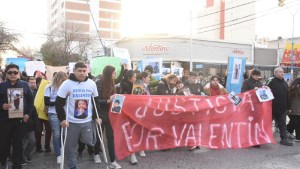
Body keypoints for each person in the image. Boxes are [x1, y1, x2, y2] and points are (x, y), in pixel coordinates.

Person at [55, 62, 99, 169]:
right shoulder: (67, 84)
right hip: (71, 122)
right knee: (71, 147)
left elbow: (95, 102)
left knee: (90, 141)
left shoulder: (91, 84)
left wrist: (96, 117)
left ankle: (83, 143)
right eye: (79, 71)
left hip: (87, 121)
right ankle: (72, 166)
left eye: (84, 71)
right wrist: (62, 119)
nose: (82, 73)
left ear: (87, 71)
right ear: (74, 71)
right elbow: (58, 103)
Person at [0, 64, 34, 169]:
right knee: (4, 144)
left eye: (15, 72)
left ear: (18, 73)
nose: (13, 74)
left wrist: (28, 114)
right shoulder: (1, 86)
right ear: (6, 74)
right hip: (4, 120)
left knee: (18, 144)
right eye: (10, 72)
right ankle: (3, 162)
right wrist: (2, 105)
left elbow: (30, 102)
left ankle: (17, 165)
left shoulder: (24, 85)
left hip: (20, 120)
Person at [95, 65, 121, 169]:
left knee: (111, 137)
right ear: (109, 73)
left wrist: (116, 100)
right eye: (114, 73)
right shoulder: (99, 82)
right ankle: (96, 154)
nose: (115, 74)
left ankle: (113, 160)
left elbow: (113, 98)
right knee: (99, 135)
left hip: (111, 113)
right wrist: (108, 100)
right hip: (100, 113)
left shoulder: (112, 82)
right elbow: (95, 100)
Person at [266, 67, 294, 146]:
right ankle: (261, 139)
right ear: (275, 73)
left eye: (283, 72)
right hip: (271, 108)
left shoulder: (284, 83)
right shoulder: (271, 81)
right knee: (266, 124)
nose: (282, 73)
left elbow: (287, 96)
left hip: (282, 108)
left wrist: (289, 107)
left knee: (282, 125)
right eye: (280, 72)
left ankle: (284, 140)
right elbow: (264, 91)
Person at [44, 71, 67, 164]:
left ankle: (62, 150)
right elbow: (47, 102)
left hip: (65, 113)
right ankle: (58, 154)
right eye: (63, 80)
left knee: (64, 134)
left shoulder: (66, 88)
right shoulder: (49, 87)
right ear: (58, 79)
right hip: (53, 113)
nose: (64, 82)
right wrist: (59, 103)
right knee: (57, 134)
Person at [21, 77, 40, 165]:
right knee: (20, 142)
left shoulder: (32, 99)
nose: (33, 84)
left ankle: (27, 153)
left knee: (32, 141)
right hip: (18, 123)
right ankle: (21, 157)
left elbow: (34, 113)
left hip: (29, 124)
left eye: (34, 82)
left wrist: (37, 126)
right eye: (31, 82)